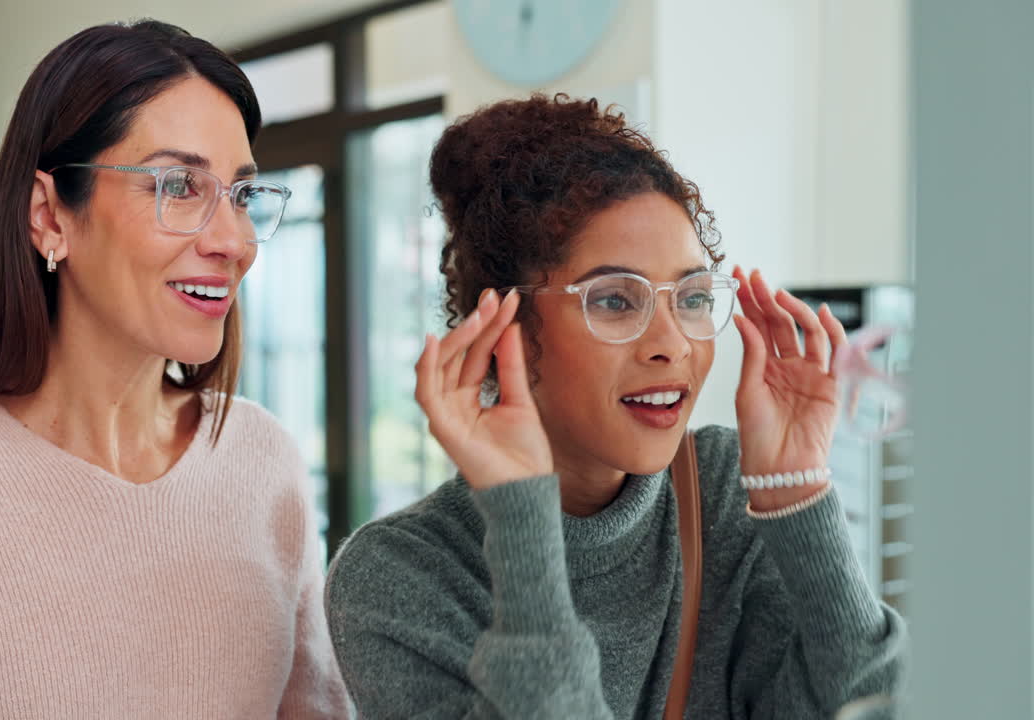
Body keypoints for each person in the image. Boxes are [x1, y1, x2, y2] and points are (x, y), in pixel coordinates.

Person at [0, 20, 345, 719]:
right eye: (179, 185)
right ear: (49, 216)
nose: (233, 241)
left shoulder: (263, 461)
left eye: (241, 195)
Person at [325, 94, 907, 719]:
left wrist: (797, 496)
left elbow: (871, 706)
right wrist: (522, 523)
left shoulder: (724, 490)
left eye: (690, 296)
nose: (673, 344)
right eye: (614, 300)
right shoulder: (397, 580)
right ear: (505, 330)